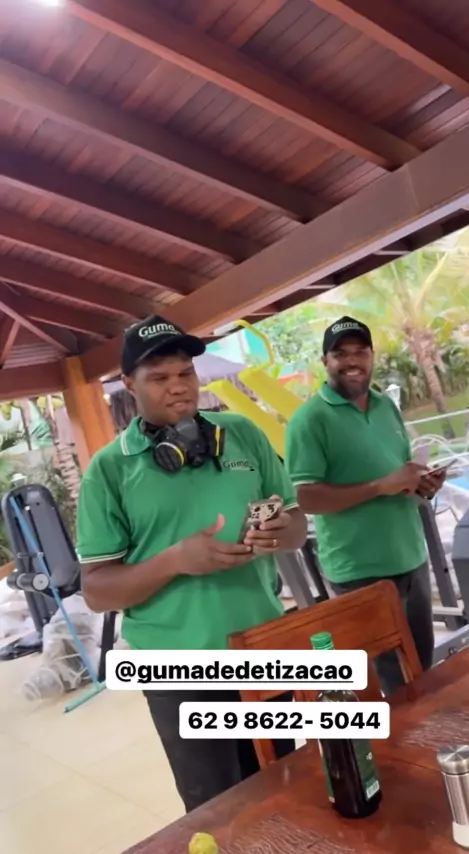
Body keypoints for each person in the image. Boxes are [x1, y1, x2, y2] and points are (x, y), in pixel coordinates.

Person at [76, 315, 307, 812]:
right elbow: (96, 590)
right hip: (178, 672)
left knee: (286, 792)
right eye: (159, 378)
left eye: (185, 373)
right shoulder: (108, 471)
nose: (178, 387)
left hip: (261, 650)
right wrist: (174, 560)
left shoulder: (242, 433)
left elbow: (295, 524)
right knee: (220, 813)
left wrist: (278, 532)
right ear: (129, 385)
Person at [285, 316, 446, 696]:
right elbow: (305, 497)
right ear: (325, 361)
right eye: (341, 354)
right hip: (360, 572)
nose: (352, 361)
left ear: (372, 356)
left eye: (360, 352)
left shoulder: (385, 405)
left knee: (422, 670)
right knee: (392, 685)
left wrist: (421, 484)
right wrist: (378, 487)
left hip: (411, 558)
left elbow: (397, 475)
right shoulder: (309, 420)